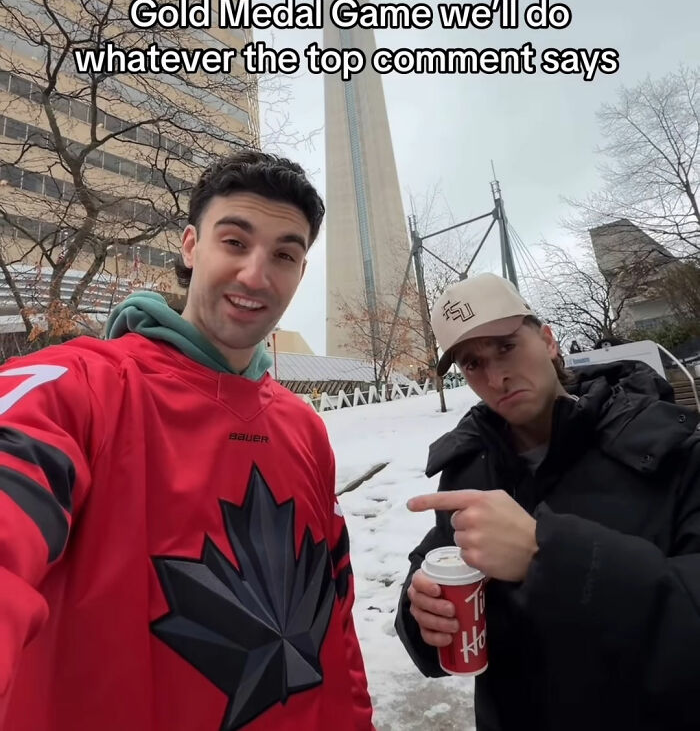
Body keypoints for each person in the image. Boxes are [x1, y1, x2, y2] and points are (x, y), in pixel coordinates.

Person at [0, 150, 374, 731]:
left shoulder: (304, 428)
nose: (256, 275)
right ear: (191, 246)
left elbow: (336, 616)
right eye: (234, 242)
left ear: (301, 273)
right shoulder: (81, 386)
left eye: (284, 255)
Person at [395, 272, 700, 731]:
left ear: (548, 340)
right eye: (473, 364)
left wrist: (550, 555)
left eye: (506, 347)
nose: (496, 377)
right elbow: (438, 569)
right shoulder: (470, 468)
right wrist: (422, 615)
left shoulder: (669, 450)